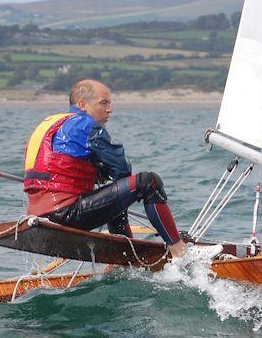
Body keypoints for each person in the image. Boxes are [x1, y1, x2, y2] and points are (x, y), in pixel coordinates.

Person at [23, 79, 189, 258]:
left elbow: (59, 167)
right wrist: (103, 170)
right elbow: (122, 170)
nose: (110, 109)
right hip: (67, 214)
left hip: (39, 215)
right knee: (147, 182)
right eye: (104, 103)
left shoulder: (50, 124)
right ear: (82, 104)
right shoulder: (86, 125)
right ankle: (178, 249)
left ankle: (127, 254)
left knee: (116, 191)